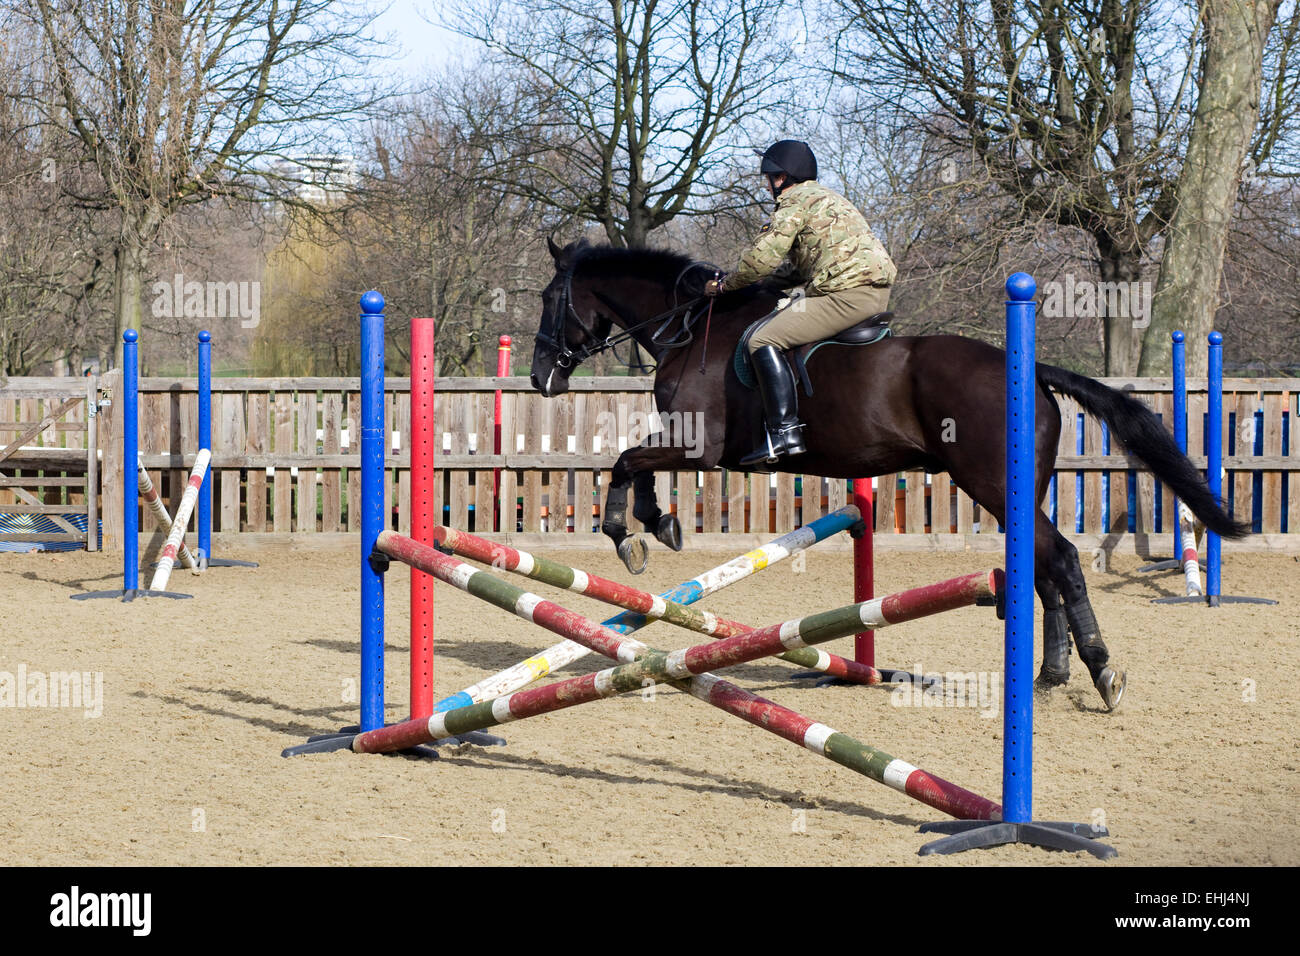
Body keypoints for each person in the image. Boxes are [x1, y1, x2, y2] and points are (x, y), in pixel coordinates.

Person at [706, 140, 896, 466]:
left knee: (762, 338)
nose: (768, 187)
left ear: (781, 177)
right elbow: (796, 269)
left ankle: (784, 433)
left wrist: (726, 285)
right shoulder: (828, 199)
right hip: (872, 290)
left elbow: (761, 259)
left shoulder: (793, 202)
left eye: (769, 179)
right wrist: (764, 285)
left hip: (844, 295)